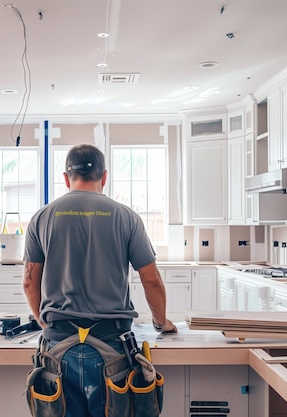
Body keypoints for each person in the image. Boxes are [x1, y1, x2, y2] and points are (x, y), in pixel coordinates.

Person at [23, 143, 177, 417]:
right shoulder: (126, 216)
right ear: (104, 177)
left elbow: (29, 282)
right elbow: (151, 280)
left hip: (57, 347)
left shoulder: (41, 218)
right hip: (113, 347)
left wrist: (44, 321)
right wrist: (160, 323)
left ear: (66, 177)